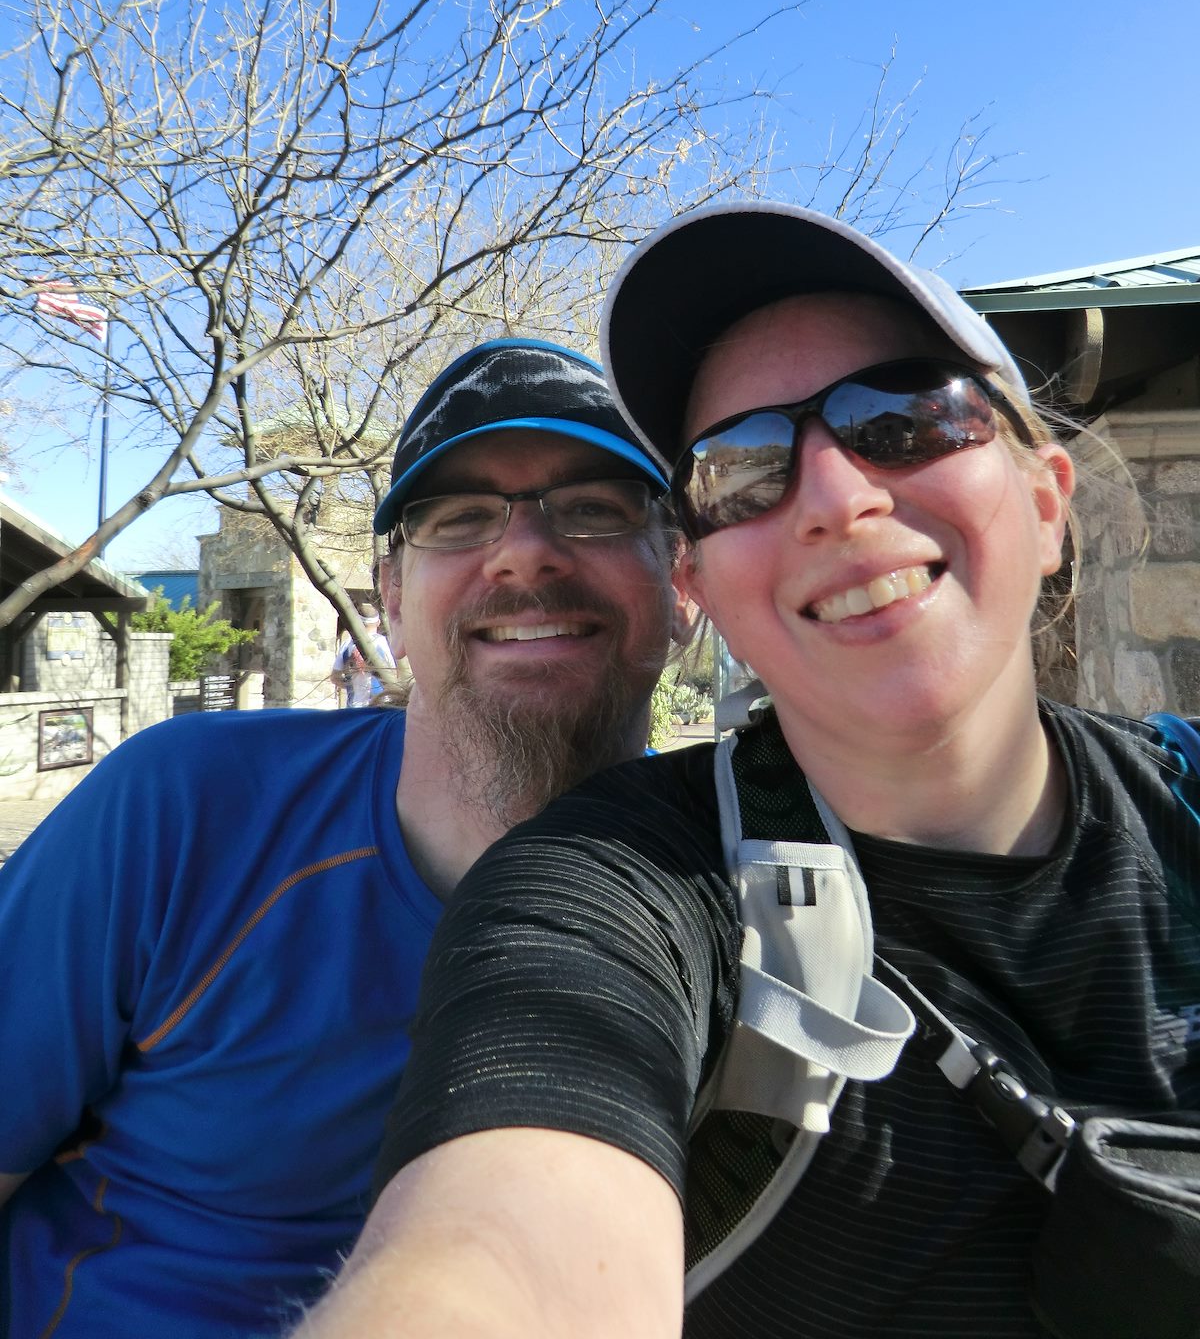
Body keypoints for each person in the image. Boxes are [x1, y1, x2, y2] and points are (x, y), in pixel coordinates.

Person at [302, 204, 1200, 1339]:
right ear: (703, 582)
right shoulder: (617, 893)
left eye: (906, 417)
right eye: (741, 468)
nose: (834, 497)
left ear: (1045, 500)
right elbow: (502, 1247)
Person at [0, 337, 685, 1339]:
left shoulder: (757, 890)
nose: (526, 549)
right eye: (457, 519)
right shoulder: (185, 808)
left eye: (595, 508)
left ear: (683, 580)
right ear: (392, 600)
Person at [330, 607, 396, 706]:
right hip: (378, 706)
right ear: (378, 622)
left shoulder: (347, 644)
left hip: (353, 706)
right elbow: (394, 673)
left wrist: (351, 685)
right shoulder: (383, 643)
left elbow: (335, 677)